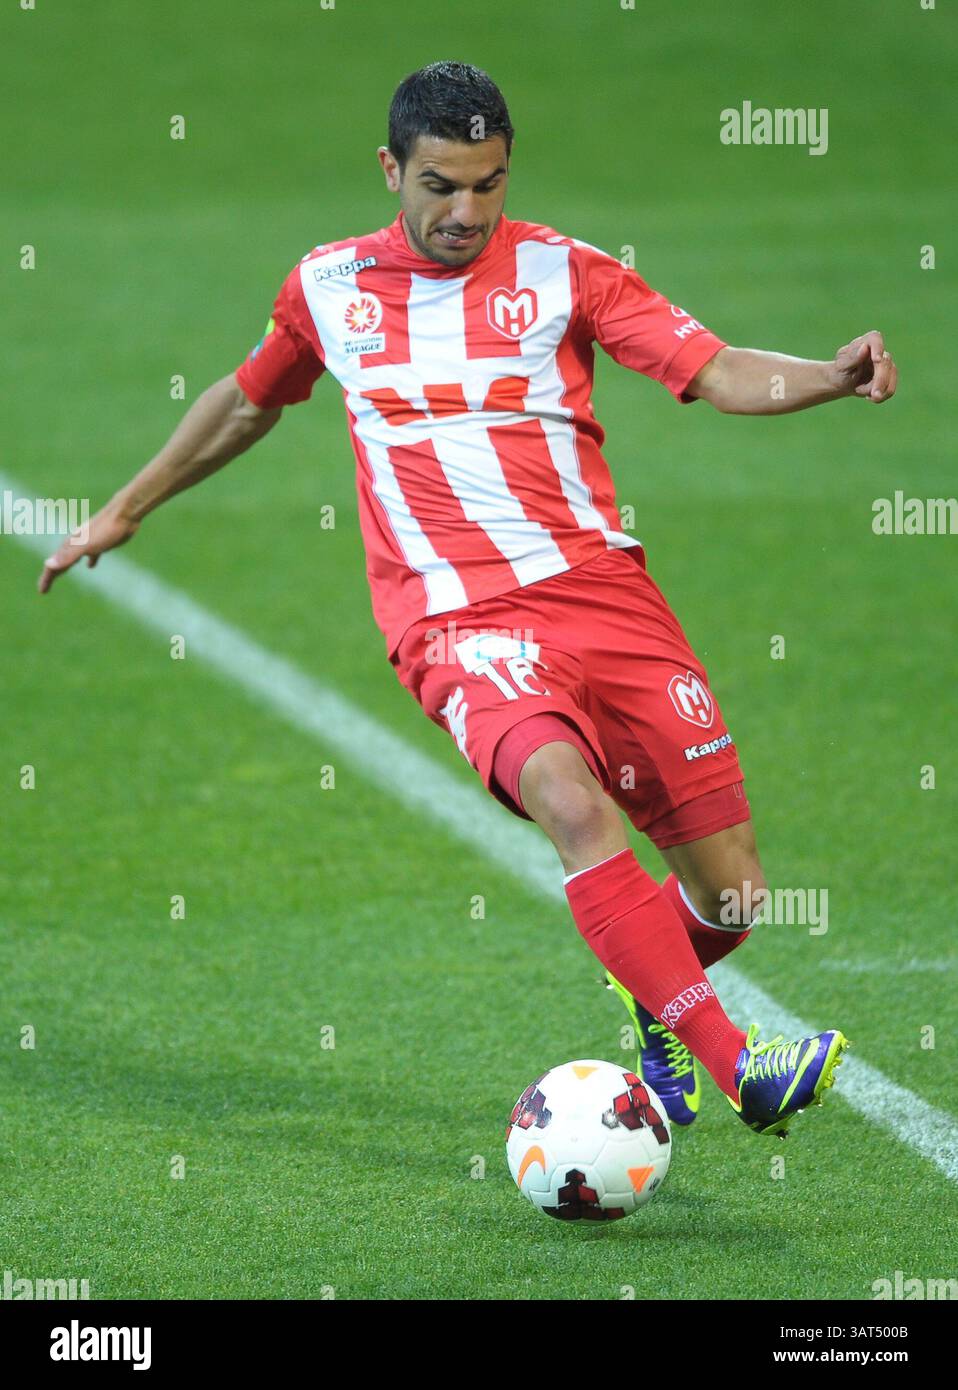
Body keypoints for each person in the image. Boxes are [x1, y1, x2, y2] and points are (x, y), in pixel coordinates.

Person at [40, 61, 897, 1143]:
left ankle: (655, 990)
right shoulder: (328, 286)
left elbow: (717, 371)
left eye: (487, 185)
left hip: (604, 597)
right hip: (453, 619)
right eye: (440, 184)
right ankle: (741, 1068)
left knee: (731, 900)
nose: (464, 211)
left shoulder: (565, 271)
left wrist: (829, 372)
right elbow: (249, 398)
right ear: (389, 169)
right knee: (569, 801)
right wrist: (127, 505)